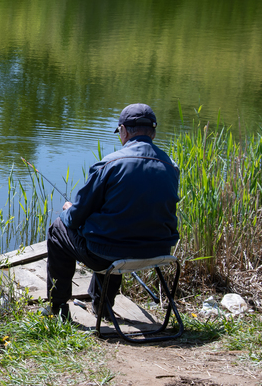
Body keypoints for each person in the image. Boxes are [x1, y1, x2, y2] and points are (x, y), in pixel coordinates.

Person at [46, 103, 180, 320]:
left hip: (110, 255)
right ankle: (103, 306)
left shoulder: (110, 164)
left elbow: (76, 217)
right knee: (113, 231)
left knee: (58, 228)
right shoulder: (171, 166)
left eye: (120, 132)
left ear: (124, 131)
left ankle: (57, 307)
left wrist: (69, 209)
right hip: (159, 253)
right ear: (153, 132)